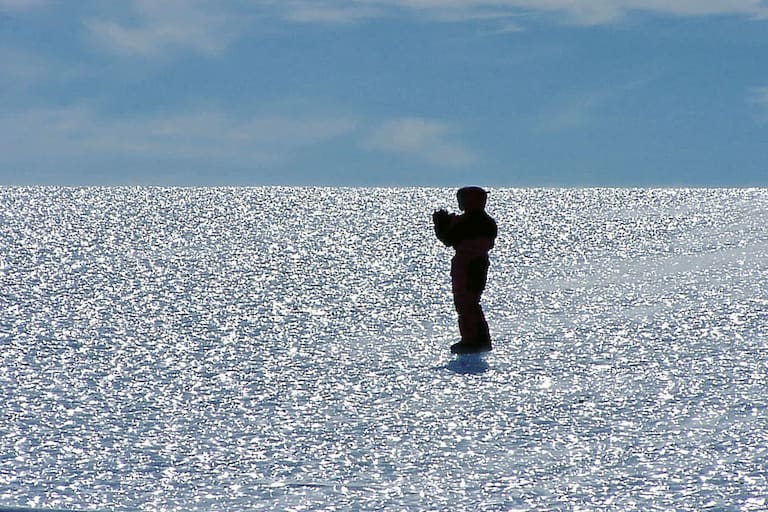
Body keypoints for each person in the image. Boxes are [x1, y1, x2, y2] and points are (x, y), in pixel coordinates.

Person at [433, 186, 498, 354]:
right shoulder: (487, 221)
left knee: (465, 303)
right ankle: (480, 339)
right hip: (478, 262)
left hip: (468, 263)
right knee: (471, 302)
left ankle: (472, 341)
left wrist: (440, 224)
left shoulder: (469, 221)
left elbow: (448, 238)